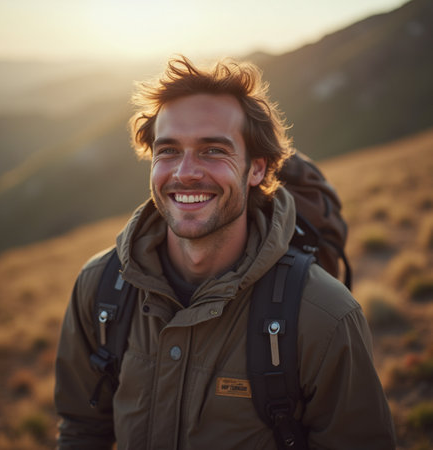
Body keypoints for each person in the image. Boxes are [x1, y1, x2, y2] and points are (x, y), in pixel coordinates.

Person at [54, 56, 396, 449]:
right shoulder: (100, 289)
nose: (185, 172)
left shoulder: (325, 317)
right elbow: (81, 429)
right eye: (168, 151)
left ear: (255, 169)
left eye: (213, 150)